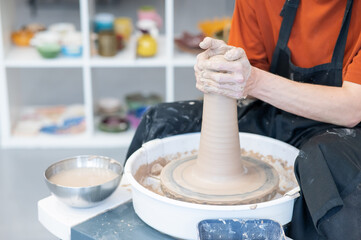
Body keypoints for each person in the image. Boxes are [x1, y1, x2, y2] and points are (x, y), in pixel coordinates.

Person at [125, 0, 361, 239]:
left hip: (341, 131)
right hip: (276, 109)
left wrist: (252, 81)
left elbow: (352, 108)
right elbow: (244, 70)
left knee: (327, 162)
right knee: (162, 121)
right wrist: (221, 71)